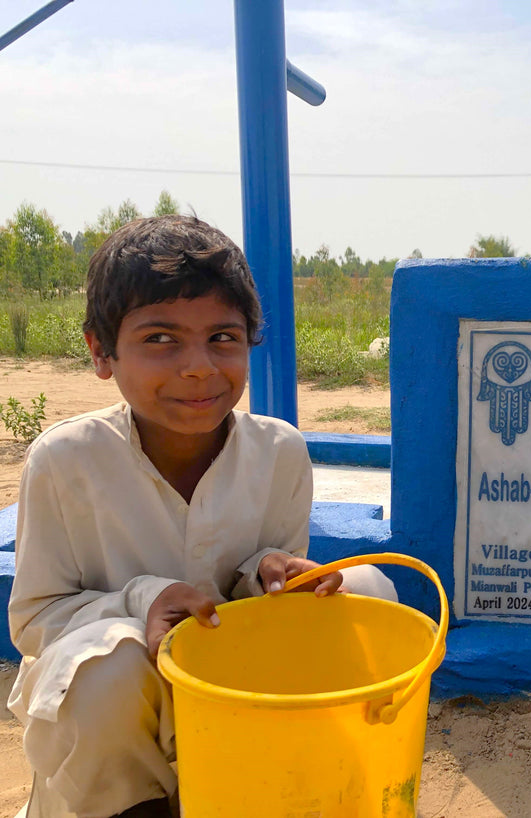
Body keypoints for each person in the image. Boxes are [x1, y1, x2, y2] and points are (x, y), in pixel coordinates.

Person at [6, 215, 397, 818]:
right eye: (160, 338)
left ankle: (312, 780)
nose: (198, 366)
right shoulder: (65, 460)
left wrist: (269, 573)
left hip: (232, 699)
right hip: (111, 736)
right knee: (108, 665)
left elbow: (261, 607)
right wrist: (142, 601)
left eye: (222, 337)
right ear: (101, 351)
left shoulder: (280, 452)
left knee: (368, 589)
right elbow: (35, 621)